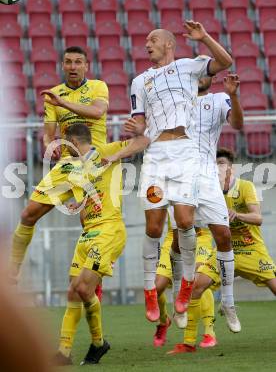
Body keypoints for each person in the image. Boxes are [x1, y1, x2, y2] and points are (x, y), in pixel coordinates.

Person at [128, 20, 233, 324]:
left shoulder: (189, 66)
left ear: (169, 44)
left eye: (153, 40)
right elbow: (140, 126)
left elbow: (226, 62)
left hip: (185, 153)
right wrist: (137, 128)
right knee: (153, 227)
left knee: (186, 222)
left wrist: (204, 38)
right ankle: (150, 289)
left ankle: (186, 284)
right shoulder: (140, 81)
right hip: (157, 155)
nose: (148, 44)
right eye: (146, 41)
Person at [9, 46, 109, 281]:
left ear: (86, 66)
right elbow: (48, 133)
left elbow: (96, 112)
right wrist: (47, 144)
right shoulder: (53, 94)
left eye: (77, 62)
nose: (73, 67)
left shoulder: (98, 87)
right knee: (28, 214)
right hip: (67, 164)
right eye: (68, 62)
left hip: (94, 161)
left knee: (91, 225)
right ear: (62, 66)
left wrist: (63, 104)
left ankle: (95, 277)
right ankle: (12, 270)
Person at [54, 123, 149, 366]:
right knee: (73, 291)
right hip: (88, 234)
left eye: (66, 145)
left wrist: (115, 156)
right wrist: (81, 205)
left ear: (74, 142)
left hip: (109, 230)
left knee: (83, 288)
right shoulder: (76, 172)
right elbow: (85, 208)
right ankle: (64, 352)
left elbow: (143, 141)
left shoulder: (105, 150)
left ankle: (98, 343)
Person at [168, 147, 276, 354]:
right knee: (196, 287)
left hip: (251, 249)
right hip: (224, 252)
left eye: (221, 164)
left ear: (231, 169)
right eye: (214, 165)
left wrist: (237, 214)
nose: (217, 169)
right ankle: (189, 343)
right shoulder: (208, 191)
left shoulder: (245, 187)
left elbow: (258, 218)